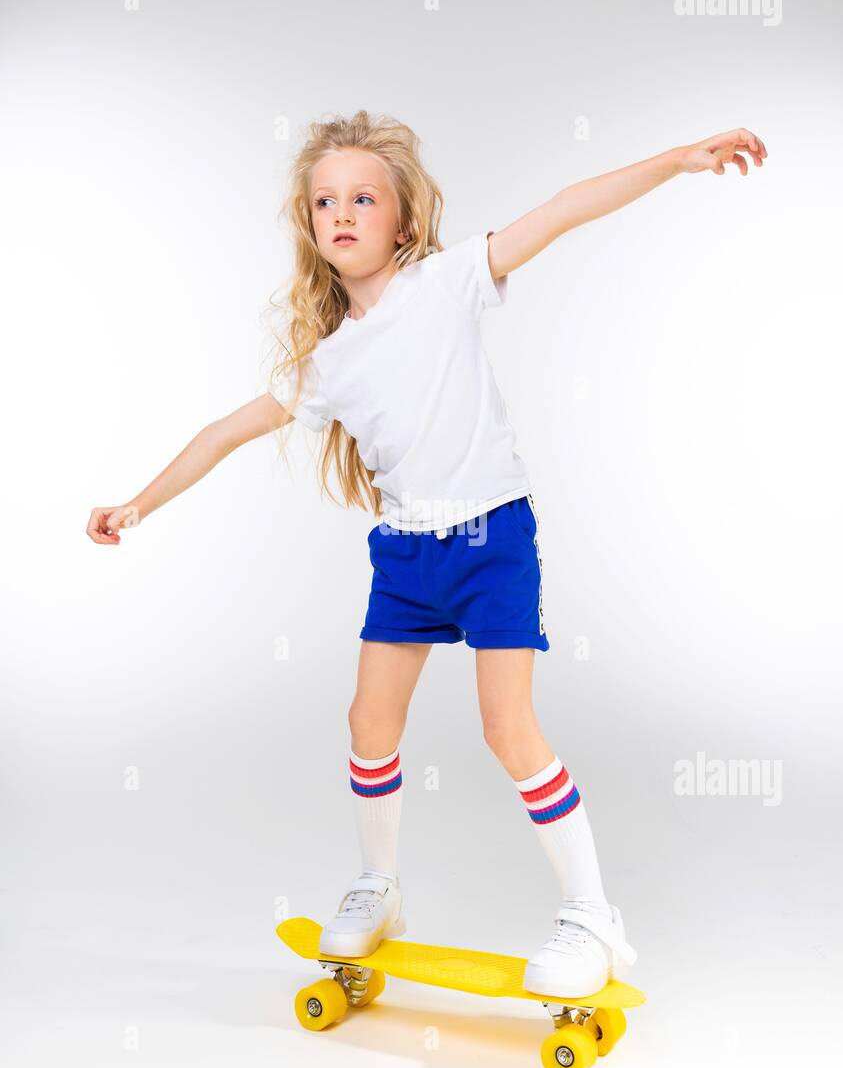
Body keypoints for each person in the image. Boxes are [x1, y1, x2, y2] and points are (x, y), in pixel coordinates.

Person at [87, 110, 766, 998]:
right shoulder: (324, 364)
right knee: (368, 724)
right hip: (406, 556)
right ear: (312, 227)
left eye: (363, 196)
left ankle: (593, 915)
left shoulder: (448, 283)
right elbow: (225, 432)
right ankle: (380, 886)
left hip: (492, 541)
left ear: (402, 221)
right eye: (325, 200)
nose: (342, 211)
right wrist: (138, 503)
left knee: (506, 729)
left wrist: (680, 160)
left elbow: (562, 209)